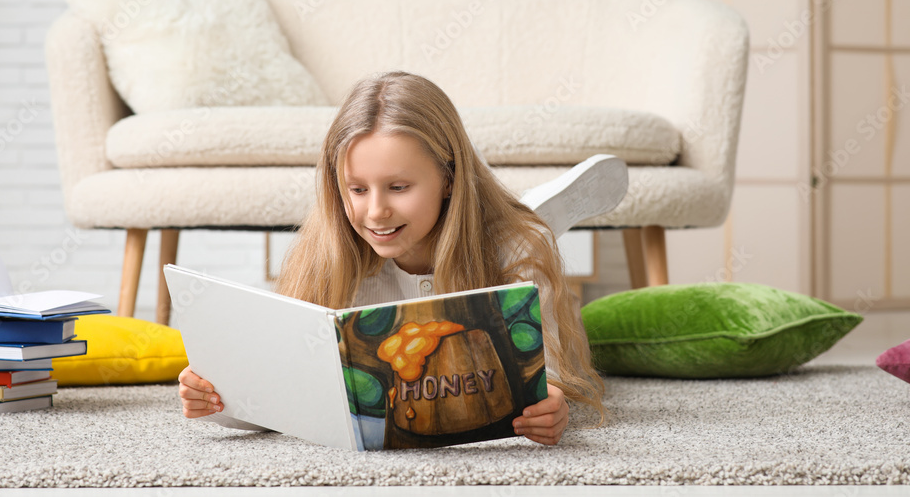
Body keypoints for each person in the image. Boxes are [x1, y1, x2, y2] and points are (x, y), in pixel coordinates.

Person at [178, 71, 628, 446]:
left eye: (398, 187)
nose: (374, 212)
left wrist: (550, 404)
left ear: (449, 179)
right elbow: (281, 387)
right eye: (357, 189)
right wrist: (219, 401)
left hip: (492, 232)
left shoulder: (516, 249)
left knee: (532, 225)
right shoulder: (330, 250)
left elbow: (547, 373)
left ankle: (543, 203)